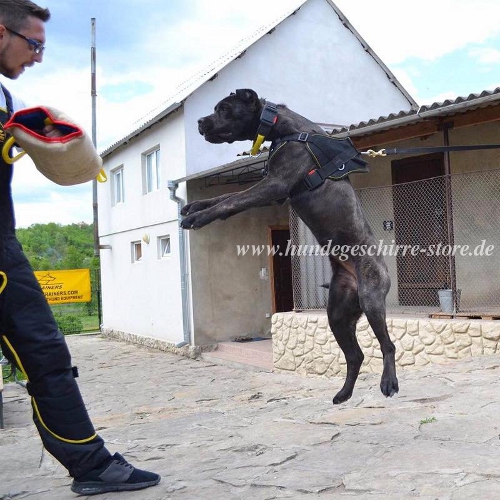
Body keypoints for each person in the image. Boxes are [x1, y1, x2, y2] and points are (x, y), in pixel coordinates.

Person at [0, 0, 161, 495]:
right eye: (35, 45)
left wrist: (28, 135)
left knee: (45, 353)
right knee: (44, 351)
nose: (38, 57)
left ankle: (91, 464)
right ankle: (92, 465)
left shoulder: (4, 97)